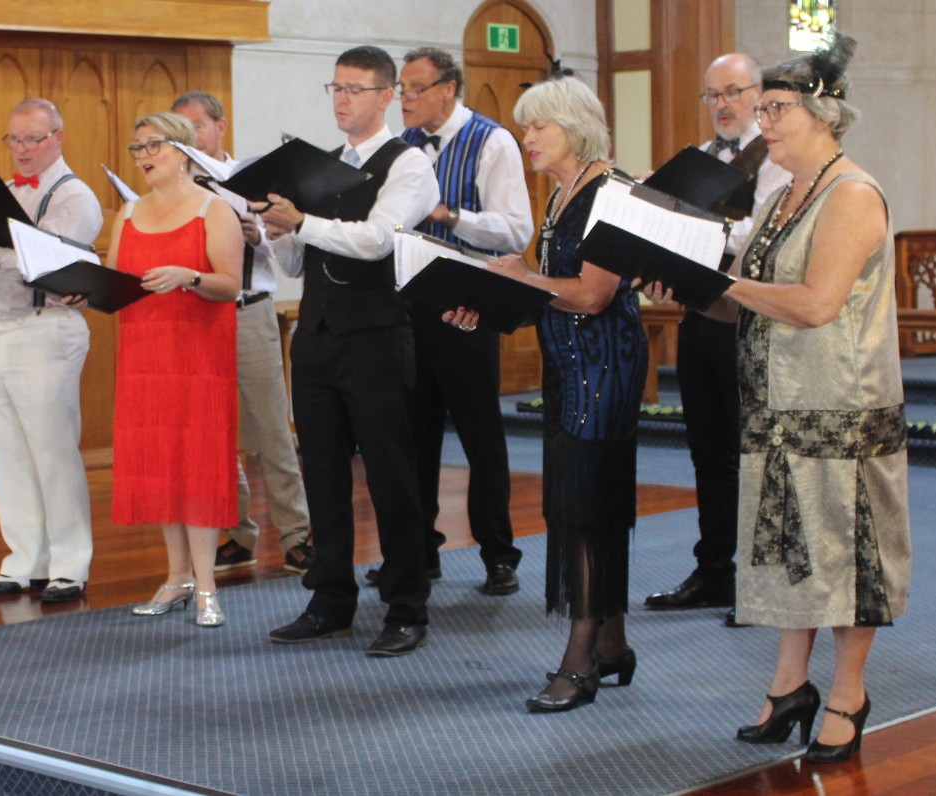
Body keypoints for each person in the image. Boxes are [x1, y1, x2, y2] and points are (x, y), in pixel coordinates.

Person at [667, 35, 910, 764]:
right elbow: (741, 305)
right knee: (787, 554)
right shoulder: (777, 196)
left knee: (845, 558)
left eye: (776, 107)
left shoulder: (853, 193)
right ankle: (788, 686)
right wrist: (678, 277)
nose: (760, 119)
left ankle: (849, 693)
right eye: (760, 106)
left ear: (823, 115)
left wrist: (718, 283)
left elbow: (813, 304)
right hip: (777, 404)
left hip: (843, 409)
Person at [448, 75, 646, 711]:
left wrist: (522, 277)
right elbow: (550, 290)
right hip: (569, 363)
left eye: (539, 127)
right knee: (578, 505)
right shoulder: (564, 194)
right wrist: (490, 301)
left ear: (577, 126)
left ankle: (583, 653)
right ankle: (611, 641)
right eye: (524, 126)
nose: (526, 138)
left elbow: (590, 294)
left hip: (604, 365)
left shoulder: (610, 192)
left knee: (586, 508)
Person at [258, 45, 439, 657]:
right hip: (315, 336)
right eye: (334, 88)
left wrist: (302, 221)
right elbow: (294, 261)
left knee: (391, 475)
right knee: (324, 475)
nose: (341, 99)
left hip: (375, 336)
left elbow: (376, 240)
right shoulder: (321, 165)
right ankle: (331, 600)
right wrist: (272, 228)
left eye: (355, 89)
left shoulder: (408, 164)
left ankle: (407, 605)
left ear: (387, 95)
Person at [365, 46, 531, 596]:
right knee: (412, 435)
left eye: (415, 89)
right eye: (402, 90)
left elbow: (514, 232)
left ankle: (498, 553)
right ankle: (418, 552)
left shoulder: (493, 140)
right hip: (407, 307)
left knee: (481, 431)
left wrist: (448, 215)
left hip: (467, 305)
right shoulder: (399, 147)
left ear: (449, 88)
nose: (405, 99)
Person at [644, 54, 791, 623]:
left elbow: (764, 231)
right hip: (700, 316)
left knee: (753, 452)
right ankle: (714, 572)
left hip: (754, 324)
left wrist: (697, 228)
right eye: (713, 95)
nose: (723, 104)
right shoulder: (700, 160)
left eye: (733, 91)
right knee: (708, 453)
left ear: (758, 94)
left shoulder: (776, 157)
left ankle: (762, 581)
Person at [0, 98, 101, 604]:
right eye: (15, 139)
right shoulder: (4, 193)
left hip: (45, 328)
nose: (23, 150)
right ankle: (24, 560)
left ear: (58, 136)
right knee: (9, 453)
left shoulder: (74, 197)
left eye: (34, 139)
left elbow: (48, 266)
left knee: (52, 452)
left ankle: (70, 565)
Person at [170, 91, 315, 578]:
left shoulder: (251, 178)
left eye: (197, 125)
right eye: (179, 128)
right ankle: (237, 533)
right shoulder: (178, 190)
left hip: (249, 310)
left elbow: (287, 252)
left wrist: (257, 235)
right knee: (213, 433)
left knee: (271, 429)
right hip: (196, 315)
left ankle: (296, 535)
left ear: (220, 127)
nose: (189, 137)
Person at [107, 112, 243, 628]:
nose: (142, 156)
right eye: (136, 147)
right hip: (144, 355)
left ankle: (208, 585)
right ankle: (176, 575)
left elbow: (230, 284)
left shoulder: (214, 209)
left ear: (184, 151)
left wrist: (189, 276)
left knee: (199, 462)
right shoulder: (128, 212)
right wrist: (83, 290)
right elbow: (117, 281)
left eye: (153, 146)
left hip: (197, 355)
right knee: (160, 462)